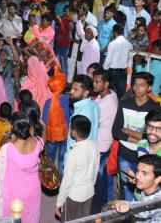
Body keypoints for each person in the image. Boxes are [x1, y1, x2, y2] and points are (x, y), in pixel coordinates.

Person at [112, 72, 159, 201]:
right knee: (127, 191)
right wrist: (140, 139)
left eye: (142, 85)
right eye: (135, 85)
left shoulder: (154, 109)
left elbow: (151, 136)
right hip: (125, 154)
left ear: (149, 88)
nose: (137, 88)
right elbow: (116, 131)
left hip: (145, 158)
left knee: (144, 195)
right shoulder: (124, 103)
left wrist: (127, 130)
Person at [0, 108, 45, 222]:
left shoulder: (8, 149)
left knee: (12, 218)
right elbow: (43, 141)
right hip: (33, 191)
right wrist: (44, 128)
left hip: (13, 194)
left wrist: (6, 137)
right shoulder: (38, 142)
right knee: (30, 216)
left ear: (12, 127)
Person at [56, 115, 100, 222]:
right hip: (89, 192)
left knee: (70, 220)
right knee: (84, 219)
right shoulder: (95, 146)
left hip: (74, 196)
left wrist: (59, 202)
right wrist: (90, 185)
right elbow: (95, 170)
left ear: (74, 132)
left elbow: (67, 181)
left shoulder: (73, 154)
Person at [92, 69, 118, 213]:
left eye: (97, 82)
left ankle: (96, 209)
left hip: (101, 146)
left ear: (106, 84)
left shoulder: (106, 104)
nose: (94, 84)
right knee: (102, 178)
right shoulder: (111, 94)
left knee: (98, 180)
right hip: (104, 142)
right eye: (94, 81)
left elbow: (93, 123)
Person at [114, 154, 161, 222]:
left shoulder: (157, 201)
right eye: (138, 171)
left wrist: (121, 204)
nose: (137, 176)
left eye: (144, 174)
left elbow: (142, 208)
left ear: (158, 179)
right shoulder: (145, 189)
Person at [42, 66, 70, 175]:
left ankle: (51, 180)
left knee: (50, 157)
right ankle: (62, 182)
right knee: (63, 159)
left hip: (51, 135)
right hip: (66, 134)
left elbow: (44, 120)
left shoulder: (48, 102)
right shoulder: (69, 99)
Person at [67, 75, 100, 151]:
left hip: (77, 157)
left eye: (75, 89)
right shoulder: (94, 104)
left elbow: (78, 144)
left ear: (85, 93)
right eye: (71, 88)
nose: (71, 92)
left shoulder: (81, 114)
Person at [103, 24, 133, 98]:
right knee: (121, 95)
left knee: (106, 92)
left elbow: (108, 59)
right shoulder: (129, 45)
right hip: (123, 72)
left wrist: (104, 70)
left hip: (112, 72)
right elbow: (130, 60)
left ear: (114, 32)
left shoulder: (112, 44)